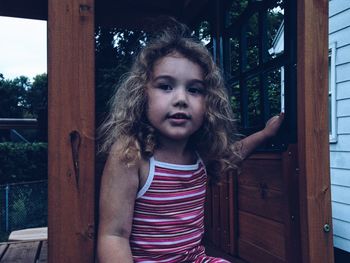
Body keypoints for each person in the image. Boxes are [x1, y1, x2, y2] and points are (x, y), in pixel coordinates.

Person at [97, 20, 284, 263]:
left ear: (209, 104)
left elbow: (233, 153)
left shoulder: (199, 153)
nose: (181, 99)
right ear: (142, 95)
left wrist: (266, 134)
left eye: (194, 90)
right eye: (165, 86)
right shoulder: (131, 154)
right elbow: (113, 236)